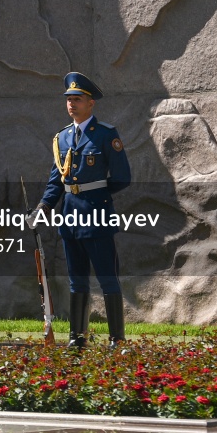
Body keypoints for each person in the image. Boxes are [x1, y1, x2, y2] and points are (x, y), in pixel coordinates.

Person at [36, 72, 131, 348]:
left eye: (77, 99)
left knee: (107, 278)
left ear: (91, 103)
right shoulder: (62, 138)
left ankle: (117, 340)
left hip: (96, 215)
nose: (71, 104)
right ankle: (77, 338)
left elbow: (122, 177)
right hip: (69, 217)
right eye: (69, 99)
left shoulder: (105, 135)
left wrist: (96, 194)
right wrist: (44, 206)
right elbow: (57, 180)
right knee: (76, 280)